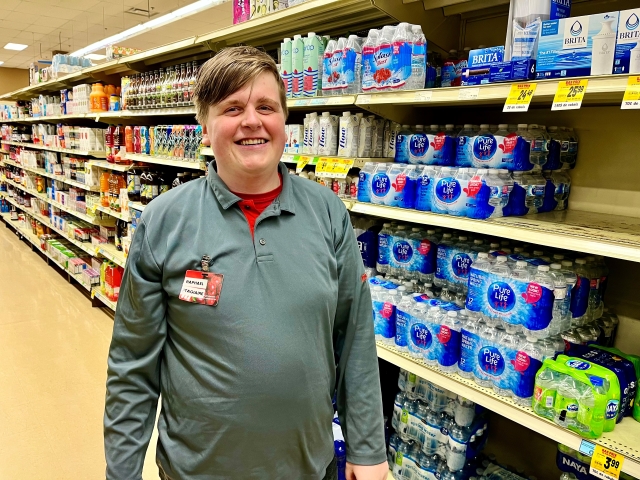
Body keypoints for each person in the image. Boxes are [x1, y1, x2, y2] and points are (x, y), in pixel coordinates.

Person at [104, 46, 387, 480]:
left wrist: (367, 448)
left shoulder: (328, 212)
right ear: (204, 125)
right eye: (232, 107)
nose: (252, 121)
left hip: (309, 467)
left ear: (284, 123)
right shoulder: (163, 221)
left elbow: (354, 338)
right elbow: (133, 365)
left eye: (266, 107)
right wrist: (121, 473)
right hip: (196, 470)